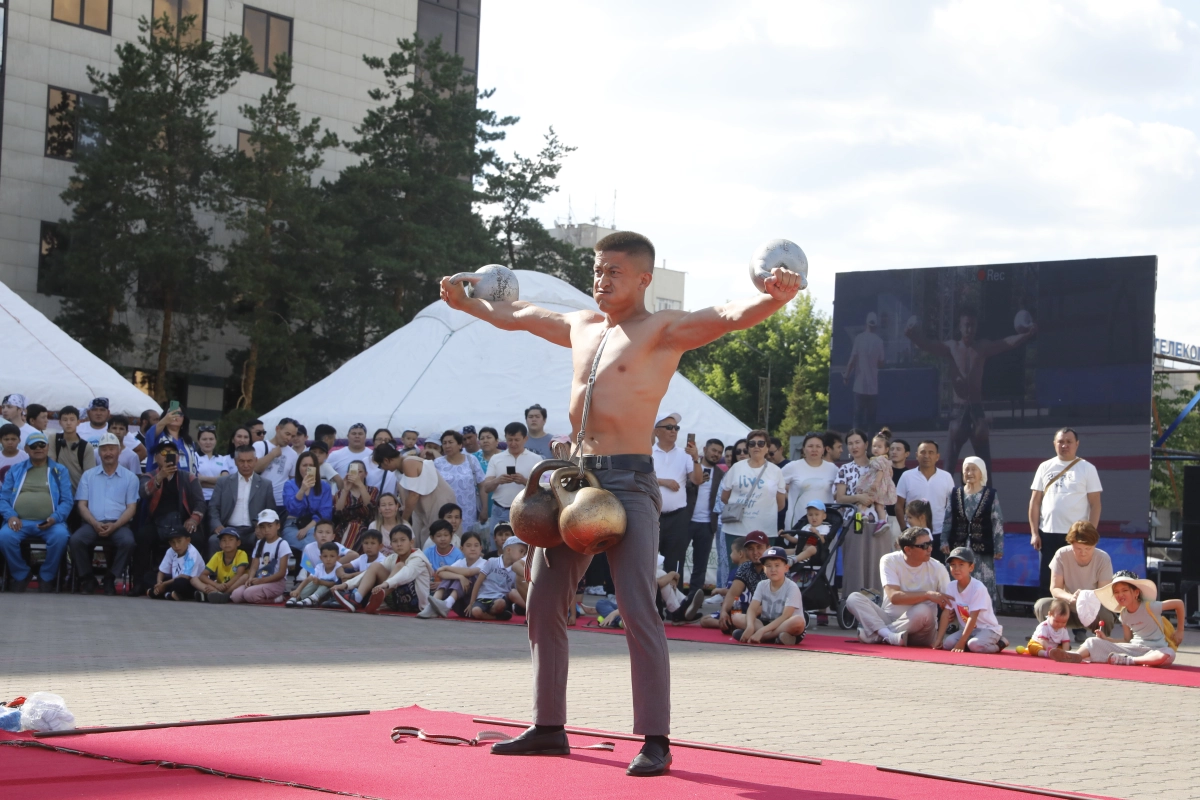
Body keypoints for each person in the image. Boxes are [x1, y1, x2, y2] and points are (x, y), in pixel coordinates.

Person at [441, 229, 804, 776]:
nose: (600, 278)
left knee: (637, 606)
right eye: (596, 268)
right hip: (573, 483)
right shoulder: (582, 325)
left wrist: (773, 297)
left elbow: (728, 313)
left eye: (613, 270)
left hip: (630, 484)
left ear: (643, 278)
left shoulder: (662, 330)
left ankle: (655, 739)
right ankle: (548, 727)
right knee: (542, 602)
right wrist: (466, 300)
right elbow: (517, 312)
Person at [906, 307, 1037, 477]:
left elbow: (1006, 343)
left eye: (973, 325)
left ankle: (987, 502)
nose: (969, 329)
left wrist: (1026, 335)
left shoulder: (982, 347)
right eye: (966, 325)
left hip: (976, 410)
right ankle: (942, 502)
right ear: (960, 327)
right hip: (958, 411)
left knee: (985, 467)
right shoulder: (952, 347)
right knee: (948, 467)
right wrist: (912, 335)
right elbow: (928, 345)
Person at [1050, 571, 1184, 667]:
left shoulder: (1151, 606)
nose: (1120, 595)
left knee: (1168, 654)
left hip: (1155, 649)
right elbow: (1126, 640)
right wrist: (1105, 639)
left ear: (1136, 592)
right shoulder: (1124, 614)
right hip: (1133, 648)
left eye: (1124, 590)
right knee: (1092, 641)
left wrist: (1180, 631)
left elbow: (1179, 604)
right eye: (1117, 592)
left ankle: (1130, 661)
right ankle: (1075, 655)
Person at [845, 526, 951, 647]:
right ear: (908, 549)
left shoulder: (938, 568)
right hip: (889, 619)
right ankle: (890, 636)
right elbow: (894, 597)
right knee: (853, 598)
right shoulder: (889, 560)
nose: (930, 549)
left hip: (921, 631)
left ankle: (880, 635)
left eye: (930, 544)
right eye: (924, 546)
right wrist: (927, 595)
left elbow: (949, 605)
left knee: (924, 611)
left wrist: (941, 637)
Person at [1029, 428, 1103, 597]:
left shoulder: (1087, 468)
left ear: (1077, 444)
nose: (1065, 445)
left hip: (1076, 535)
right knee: (1048, 579)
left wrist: (1089, 535)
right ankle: (1049, 620)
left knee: (1075, 580)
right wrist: (1034, 533)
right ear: (1054, 444)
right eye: (1061, 442)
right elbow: (1034, 502)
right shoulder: (1044, 467)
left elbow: (1095, 504)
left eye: (1069, 442)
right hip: (1047, 533)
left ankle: (1076, 619)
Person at [0, 432, 74, 592]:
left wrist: (54, 518)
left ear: (47, 447)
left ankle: (47, 576)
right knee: (4, 536)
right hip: (19, 521)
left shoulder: (59, 470)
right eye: (33, 446)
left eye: (42, 445)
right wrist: (11, 516)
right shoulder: (15, 470)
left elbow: (67, 501)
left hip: (51, 522)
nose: (38, 448)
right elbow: (3, 498)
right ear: (26, 449)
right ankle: (21, 574)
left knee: (60, 536)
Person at [69, 433, 139, 595]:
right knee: (76, 540)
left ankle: (110, 577)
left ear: (119, 451)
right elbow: (82, 505)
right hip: (92, 523)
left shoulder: (130, 477)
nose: (108, 453)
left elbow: (131, 508)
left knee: (128, 542)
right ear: (99, 452)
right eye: (104, 449)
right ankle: (88, 578)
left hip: (119, 523)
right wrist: (94, 523)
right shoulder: (89, 475)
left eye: (112, 449)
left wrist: (115, 525)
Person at [133, 439, 206, 593]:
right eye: (164, 453)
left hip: (182, 522)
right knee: (142, 537)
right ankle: (140, 583)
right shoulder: (149, 475)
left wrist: (193, 519)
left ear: (178, 458)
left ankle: (194, 583)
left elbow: (200, 503)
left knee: (198, 539)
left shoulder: (189, 477)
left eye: (172, 453)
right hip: (158, 522)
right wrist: (160, 477)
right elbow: (143, 492)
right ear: (156, 458)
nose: (168, 456)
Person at [1033, 520, 1117, 641]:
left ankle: (1102, 642)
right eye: (1078, 548)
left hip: (1093, 609)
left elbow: (1104, 592)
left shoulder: (1103, 558)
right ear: (1071, 543)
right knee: (1042, 605)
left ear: (1095, 544)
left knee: (1107, 614)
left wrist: (1085, 597)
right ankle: (1053, 639)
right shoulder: (1061, 554)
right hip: (1068, 608)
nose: (1083, 553)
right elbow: (1055, 588)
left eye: (1088, 548)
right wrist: (1070, 598)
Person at [941, 456, 1004, 605]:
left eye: (973, 469)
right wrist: (944, 540)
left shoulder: (991, 494)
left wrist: (999, 546)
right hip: (958, 547)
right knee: (957, 581)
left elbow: (997, 521)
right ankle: (955, 618)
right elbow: (948, 519)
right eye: (966, 469)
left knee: (982, 583)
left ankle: (983, 619)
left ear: (981, 472)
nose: (970, 473)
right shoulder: (955, 493)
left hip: (983, 548)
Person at [836, 429, 892, 597]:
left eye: (857, 442)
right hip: (856, 520)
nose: (854, 446)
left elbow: (888, 488)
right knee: (855, 565)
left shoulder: (880, 465)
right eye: (850, 443)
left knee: (877, 564)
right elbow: (840, 498)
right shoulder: (845, 469)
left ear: (866, 444)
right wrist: (858, 497)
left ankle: (878, 606)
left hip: (878, 522)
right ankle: (852, 607)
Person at [372, 443, 457, 549]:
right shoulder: (399, 470)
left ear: (386, 460)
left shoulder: (409, 462)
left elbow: (414, 495)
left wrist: (403, 521)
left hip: (439, 500)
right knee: (417, 536)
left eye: (381, 465)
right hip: (421, 506)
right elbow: (407, 497)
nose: (383, 468)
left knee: (436, 537)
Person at [652, 412, 702, 587]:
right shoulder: (647, 452)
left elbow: (697, 480)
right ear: (657, 431)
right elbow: (639, 478)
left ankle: (675, 604)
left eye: (676, 428)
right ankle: (654, 604)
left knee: (675, 561)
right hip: (652, 515)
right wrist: (663, 481)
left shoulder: (684, 454)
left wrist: (696, 458)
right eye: (669, 427)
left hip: (677, 516)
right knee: (650, 560)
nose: (674, 431)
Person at [336, 524, 431, 614]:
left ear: (411, 542)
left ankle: (377, 599)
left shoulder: (418, 559)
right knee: (375, 566)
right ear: (390, 544)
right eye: (395, 541)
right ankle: (356, 598)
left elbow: (406, 574)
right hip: (397, 602)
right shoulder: (392, 558)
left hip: (416, 605)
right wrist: (346, 585)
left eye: (402, 540)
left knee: (400, 566)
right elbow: (368, 572)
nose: (399, 544)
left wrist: (385, 584)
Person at [719, 429, 786, 549]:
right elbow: (725, 497)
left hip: (765, 530)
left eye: (761, 443)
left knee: (762, 566)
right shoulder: (736, 467)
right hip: (736, 529)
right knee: (736, 567)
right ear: (748, 447)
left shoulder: (776, 471)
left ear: (767, 448)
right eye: (752, 443)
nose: (756, 447)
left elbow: (780, 504)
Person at [932, 547, 1006, 653]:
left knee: (975, 645)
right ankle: (968, 643)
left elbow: (973, 617)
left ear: (971, 567)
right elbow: (946, 613)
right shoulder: (951, 586)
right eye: (953, 565)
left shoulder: (978, 588)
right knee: (948, 643)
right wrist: (938, 640)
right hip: (968, 630)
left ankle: (1001, 642)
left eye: (961, 564)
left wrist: (961, 642)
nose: (956, 568)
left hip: (988, 629)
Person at [206, 446, 275, 554]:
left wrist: (261, 527)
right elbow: (213, 507)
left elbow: (270, 512)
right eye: (242, 461)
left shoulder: (266, 484)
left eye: (249, 461)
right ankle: (213, 571)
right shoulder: (223, 482)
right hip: (228, 529)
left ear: (255, 461)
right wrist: (217, 525)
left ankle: (258, 571)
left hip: (253, 530)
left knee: (264, 539)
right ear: (235, 462)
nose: (246, 465)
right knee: (214, 540)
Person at [734, 545, 806, 645]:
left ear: (786, 568)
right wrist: (750, 626)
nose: (773, 569)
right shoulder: (762, 585)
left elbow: (786, 616)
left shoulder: (792, 587)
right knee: (736, 617)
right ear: (764, 569)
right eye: (768, 566)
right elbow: (752, 609)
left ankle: (764, 637)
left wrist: (761, 632)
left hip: (785, 624)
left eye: (777, 565)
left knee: (798, 621)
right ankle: (777, 637)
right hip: (766, 623)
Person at [481, 422, 542, 534]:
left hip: (525, 511)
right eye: (510, 440)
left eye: (517, 440)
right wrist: (498, 480)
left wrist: (524, 481)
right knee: (497, 546)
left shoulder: (536, 459)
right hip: (500, 511)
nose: (513, 443)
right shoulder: (496, 458)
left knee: (524, 546)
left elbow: (542, 489)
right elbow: (486, 487)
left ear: (525, 439)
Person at [894, 440, 956, 551]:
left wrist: (948, 534)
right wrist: (904, 530)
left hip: (939, 533)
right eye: (923, 452)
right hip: (913, 533)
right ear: (916, 455)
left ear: (937, 456)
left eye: (931, 452)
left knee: (937, 566)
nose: (926, 456)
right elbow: (899, 506)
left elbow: (951, 507)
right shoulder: (907, 476)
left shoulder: (946, 477)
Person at [683, 438, 724, 594]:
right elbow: (683, 486)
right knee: (678, 560)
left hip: (707, 523)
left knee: (701, 564)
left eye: (719, 452)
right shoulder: (690, 466)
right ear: (705, 449)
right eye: (713, 450)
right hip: (686, 520)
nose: (716, 454)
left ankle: (695, 597)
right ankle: (676, 596)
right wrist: (695, 481)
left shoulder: (721, 474)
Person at [780, 433, 838, 535]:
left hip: (824, 525)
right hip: (797, 521)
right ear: (803, 449)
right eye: (810, 446)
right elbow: (776, 485)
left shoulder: (832, 468)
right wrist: (789, 497)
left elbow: (841, 490)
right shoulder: (793, 466)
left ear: (824, 449)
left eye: (818, 446)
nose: (814, 450)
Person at [231, 510, 291, 604]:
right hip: (260, 578)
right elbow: (254, 565)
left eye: (270, 526)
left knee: (249, 594)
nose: (266, 530)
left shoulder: (282, 544)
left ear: (278, 526)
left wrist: (261, 581)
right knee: (235, 596)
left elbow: (281, 573)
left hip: (276, 582)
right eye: (263, 527)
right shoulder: (259, 543)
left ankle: (276, 598)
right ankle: (255, 595)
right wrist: (251, 578)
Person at [716, 530, 769, 632]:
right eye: (750, 549)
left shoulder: (773, 567)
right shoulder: (745, 567)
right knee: (736, 618)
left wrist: (750, 615)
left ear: (768, 548)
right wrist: (723, 612)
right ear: (746, 552)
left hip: (777, 614)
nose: (755, 552)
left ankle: (763, 633)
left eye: (759, 548)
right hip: (755, 616)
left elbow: (772, 602)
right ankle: (763, 633)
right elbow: (732, 594)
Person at [281, 451, 333, 556]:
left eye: (311, 466)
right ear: (298, 467)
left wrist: (306, 528)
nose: (307, 468)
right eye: (304, 465)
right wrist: (302, 490)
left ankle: (305, 570)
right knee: (307, 545)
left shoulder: (325, 486)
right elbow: (292, 509)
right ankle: (307, 568)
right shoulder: (289, 484)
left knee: (312, 541)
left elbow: (325, 513)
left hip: (315, 525)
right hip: (293, 524)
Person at [434, 430, 487, 531]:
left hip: (469, 511)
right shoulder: (437, 463)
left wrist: (484, 509)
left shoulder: (471, 460)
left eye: (450, 442)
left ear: (459, 445)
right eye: (444, 443)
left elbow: (482, 485)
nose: (447, 446)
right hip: (446, 511)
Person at [427, 530, 486, 618]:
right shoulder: (460, 562)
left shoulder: (484, 563)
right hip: (460, 605)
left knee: (468, 577)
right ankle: (432, 606)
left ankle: (447, 604)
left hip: (474, 604)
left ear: (480, 548)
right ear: (462, 549)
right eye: (468, 545)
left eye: (476, 545)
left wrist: (447, 567)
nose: (473, 548)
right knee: (455, 577)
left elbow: (469, 572)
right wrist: (459, 577)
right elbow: (441, 573)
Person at [469, 535, 528, 621]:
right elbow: (478, 582)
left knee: (500, 603)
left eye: (524, 553)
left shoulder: (516, 570)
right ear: (508, 550)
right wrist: (471, 602)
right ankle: (496, 617)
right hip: (483, 598)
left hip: (500, 599)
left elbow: (517, 589)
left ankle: (534, 610)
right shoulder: (492, 561)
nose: (523, 556)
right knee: (476, 611)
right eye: (521, 551)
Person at [844, 312, 886, 430]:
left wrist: (846, 376)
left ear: (866, 324)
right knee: (871, 421)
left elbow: (852, 360)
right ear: (876, 326)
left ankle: (856, 445)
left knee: (857, 419)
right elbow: (881, 363)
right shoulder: (879, 341)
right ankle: (869, 448)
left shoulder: (859, 338)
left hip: (859, 386)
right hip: (873, 387)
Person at [79, 397, 147, 463]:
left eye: (102, 410)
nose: (98, 413)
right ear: (88, 412)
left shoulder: (116, 430)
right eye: (94, 410)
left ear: (108, 413)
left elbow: (142, 452)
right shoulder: (78, 429)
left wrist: (124, 466)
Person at [855, 429, 896, 530]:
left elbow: (880, 471)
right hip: (883, 488)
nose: (876, 449)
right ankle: (882, 522)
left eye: (879, 447)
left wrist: (876, 482)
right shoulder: (887, 461)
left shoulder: (878, 459)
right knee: (880, 506)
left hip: (876, 485)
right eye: (874, 446)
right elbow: (890, 473)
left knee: (865, 500)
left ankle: (861, 515)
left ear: (886, 449)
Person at [194, 528, 250, 603]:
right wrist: (216, 585)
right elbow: (203, 575)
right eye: (224, 540)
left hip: (234, 585)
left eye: (231, 539)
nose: (227, 543)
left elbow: (239, 574)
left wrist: (225, 586)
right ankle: (216, 593)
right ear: (220, 544)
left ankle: (222, 594)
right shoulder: (218, 555)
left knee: (245, 576)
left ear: (238, 543)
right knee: (194, 579)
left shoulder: (241, 554)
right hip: (219, 585)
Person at [333, 459, 378, 551]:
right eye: (353, 472)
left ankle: (344, 555)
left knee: (356, 526)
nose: (356, 475)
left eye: (360, 472)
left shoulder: (372, 490)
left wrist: (360, 486)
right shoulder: (340, 493)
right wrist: (345, 490)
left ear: (366, 474)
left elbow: (370, 508)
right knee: (353, 525)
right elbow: (338, 513)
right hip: (344, 529)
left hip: (367, 527)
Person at [47, 406, 95, 493]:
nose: (68, 423)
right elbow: (51, 464)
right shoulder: (53, 439)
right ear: (60, 422)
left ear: (78, 422)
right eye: (65, 420)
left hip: (78, 494)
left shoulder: (86, 447)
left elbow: (89, 476)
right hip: (57, 493)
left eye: (72, 420)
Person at [147, 530, 204, 601]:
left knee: (180, 583)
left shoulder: (192, 553)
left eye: (179, 541)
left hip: (191, 582)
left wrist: (164, 584)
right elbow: (162, 571)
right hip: (173, 580)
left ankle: (162, 593)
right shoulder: (170, 551)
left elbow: (185, 576)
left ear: (188, 540)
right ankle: (169, 593)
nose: (176, 546)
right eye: (173, 542)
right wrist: (159, 583)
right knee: (148, 576)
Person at [255, 418, 300, 507]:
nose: (289, 438)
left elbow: (292, 479)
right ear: (277, 429)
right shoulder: (259, 446)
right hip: (259, 499)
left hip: (281, 502)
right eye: (287, 434)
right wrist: (272, 454)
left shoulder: (293, 454)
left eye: (292, 436)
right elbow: (254, 468)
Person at [287, 540, 342, 607]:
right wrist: (297, 590)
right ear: (321, 558)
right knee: (313, 582)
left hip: (330, 592)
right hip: (318, 587)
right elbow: (308, 579)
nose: (328, 559)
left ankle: (312, 599)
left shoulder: (339, 567)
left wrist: (320, 582)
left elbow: (335, 584)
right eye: (325, 556)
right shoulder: (319, 566)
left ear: (338, 558)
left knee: (324, 586)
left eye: (332, 556)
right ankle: (298, 597)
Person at [147, 406, 198, 475]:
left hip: (186, 483)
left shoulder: (189, 441)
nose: (175, 416)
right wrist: (164, 421)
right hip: (161, 482)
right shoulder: (158, 436)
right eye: (171, 413)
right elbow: (149, 436)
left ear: (184, 419)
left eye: (179, 414)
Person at [194, 425, 228, 502]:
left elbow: (225, 480)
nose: (208, 442)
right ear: (198, 441)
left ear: (216, 441)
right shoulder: (193, 457)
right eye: (204, 439)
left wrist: (203, 479)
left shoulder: (222, 459)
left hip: (218, 500)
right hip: (198, 499)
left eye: (211, 439)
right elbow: (194, 481)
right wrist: (217, 484)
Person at [885, 438, 910, 521]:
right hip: (882, 518)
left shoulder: (909, 475)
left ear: (907, 454)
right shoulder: (882, 472)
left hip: (903, 519)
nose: (894, 452)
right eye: (892, 449)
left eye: (898, 449)